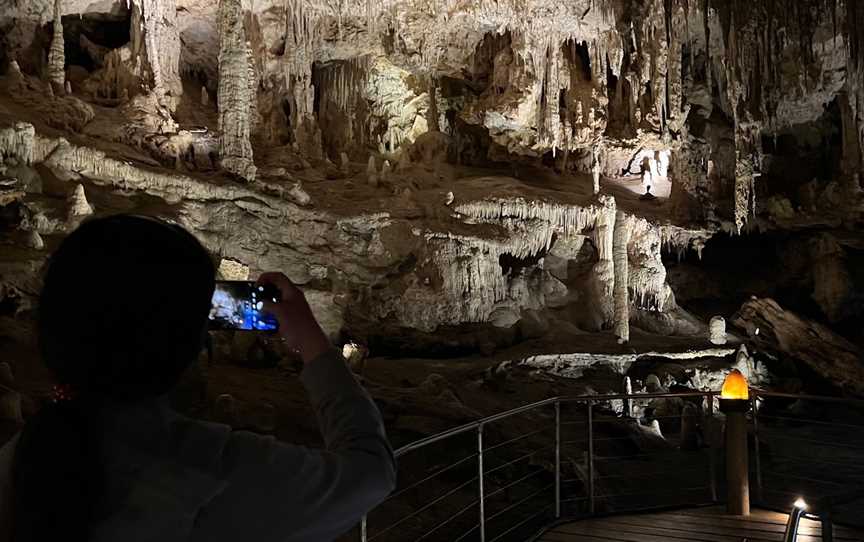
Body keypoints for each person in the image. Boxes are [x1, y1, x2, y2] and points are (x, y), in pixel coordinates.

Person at [0, 215, 395, 542]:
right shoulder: (214, 472)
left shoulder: (18, 460)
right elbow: (369, 472)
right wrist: (310, 338)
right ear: (191, 346)